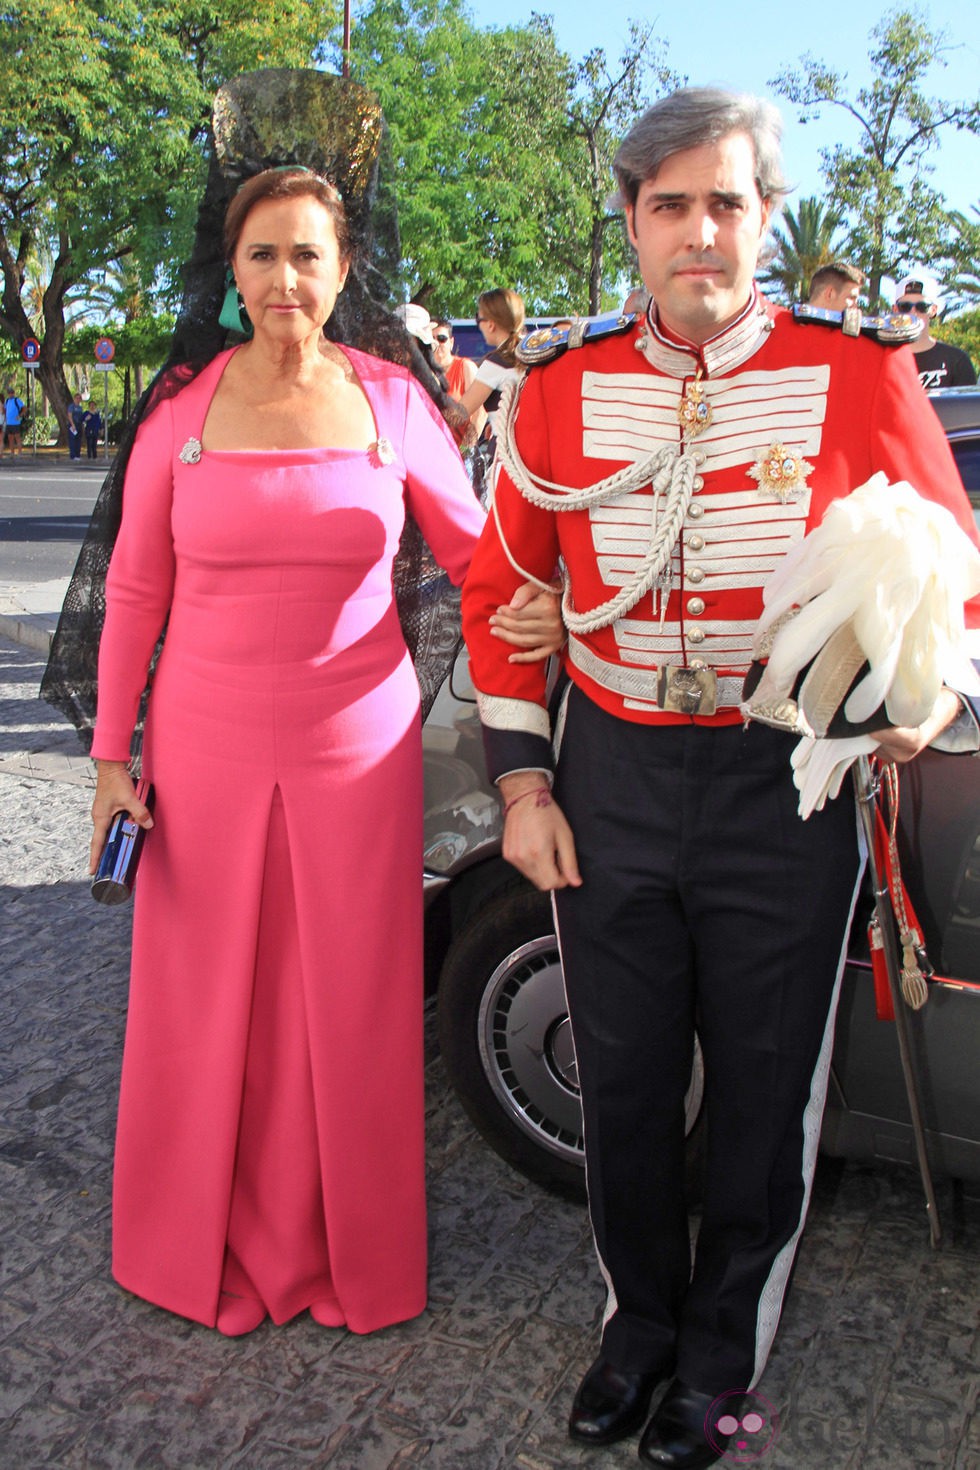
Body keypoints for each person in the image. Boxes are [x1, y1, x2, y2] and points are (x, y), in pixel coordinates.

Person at [461, 87, 980, 1469]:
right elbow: (501, 594)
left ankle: (719, 1352)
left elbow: (954, 571)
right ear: (632, 221)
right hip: (614, 772)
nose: (702, 232)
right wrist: (523, 785)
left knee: (761, 1091)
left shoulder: (862, 375)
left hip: (780, 782)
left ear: (766, 220)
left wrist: (926, 693)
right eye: (671, 204)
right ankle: (635, 1326)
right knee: (625, 1081)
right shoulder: (558, 394)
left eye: (728, 203)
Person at [86, 164, 561, 1340]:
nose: (285, 278)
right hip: (198, 752)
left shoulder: (394, 402)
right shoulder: (177, 415)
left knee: (345, 1003)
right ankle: (192, 1242)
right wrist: (111, 759)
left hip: (358, 753)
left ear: (342, 271)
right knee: (203, 1002)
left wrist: (560, 604)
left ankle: (350, 1252)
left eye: (307, 255)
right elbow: (136, 591)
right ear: (231, 273)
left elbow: (476, 555)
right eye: (263, 255)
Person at [458, 287, 526, 444]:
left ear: (490, 324)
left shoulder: (497, 363)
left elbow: (459, 414)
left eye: (478, 318)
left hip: (508, 453)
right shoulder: (534, 353)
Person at [894, 271, 977, 388]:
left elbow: (966, 405)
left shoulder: (957, 360)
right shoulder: (882, 360)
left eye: (922, 307)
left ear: (933, 310)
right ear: (895, 310)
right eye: (905, 307)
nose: (913, 312)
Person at [432, 317, 486, 446]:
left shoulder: (465, 367)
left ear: (451, 342)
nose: (437, 343)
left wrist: (467, 448)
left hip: (458, 449)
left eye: (441, 338)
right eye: (432, 339)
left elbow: (481, 411)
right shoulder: (423, 372)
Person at [4, 384, 25, 456]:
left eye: (11, 392)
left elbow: (24, 408)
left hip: (15, 423)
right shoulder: (6, 401)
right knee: (10, 438)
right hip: (9, 423)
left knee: (17, 438)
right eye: (9, 393)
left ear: (13, 393)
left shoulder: (17, 400)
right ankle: (12, 452)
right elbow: (5, 410)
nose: (10, 394)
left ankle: (20, 452)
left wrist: (19, 415)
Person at [68, 392, 86, 461]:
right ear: (74, 399)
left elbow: (81, 417)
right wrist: (72, 424)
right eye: (77, 398)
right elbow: (69, 416)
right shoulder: (71, 406)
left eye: (79, 398)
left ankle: (77, 454)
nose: (78, 400)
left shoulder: (80, 407)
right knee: (72, 440)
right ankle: (73, 455)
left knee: (78, 440)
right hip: (73, 425)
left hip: (79, 425)